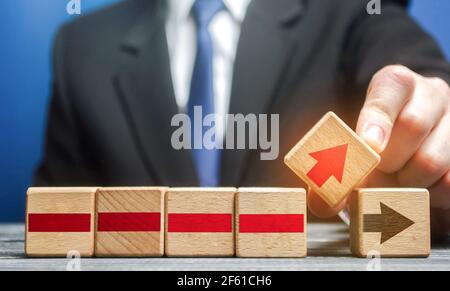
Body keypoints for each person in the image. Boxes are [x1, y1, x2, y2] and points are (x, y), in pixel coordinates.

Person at [35, 0, 450, 238]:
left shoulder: (355, 10)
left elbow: (416, 79)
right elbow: (56, 222)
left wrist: (431, 116)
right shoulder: (80, 46)